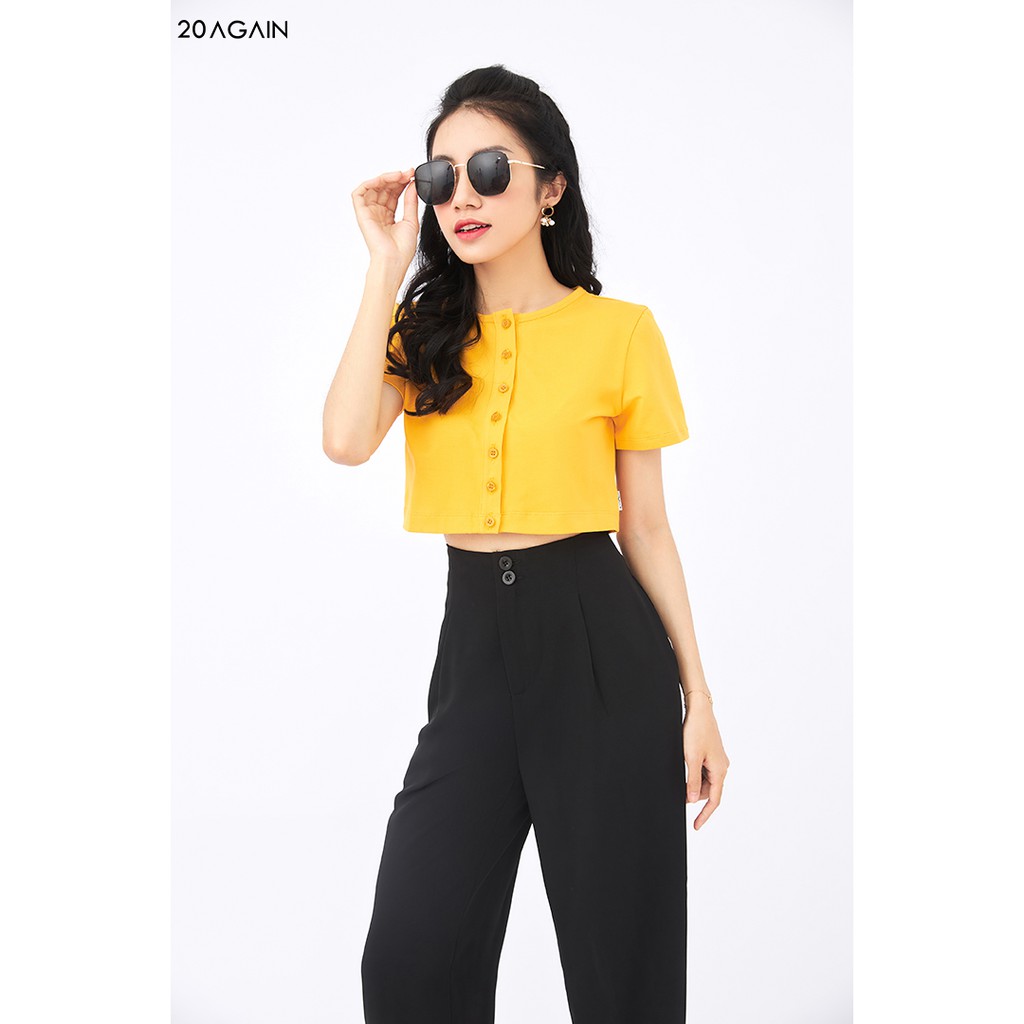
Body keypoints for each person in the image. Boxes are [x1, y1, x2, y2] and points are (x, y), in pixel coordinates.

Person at [323, 64, 729, 1024]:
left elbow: (647, 526)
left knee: (623, 973)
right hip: (474, 653)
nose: (462, 196)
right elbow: (343, 440)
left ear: (551, 188)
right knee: (411, 960)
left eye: (491, 170)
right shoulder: (423, 332)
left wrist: (699, 701)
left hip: (600, 647)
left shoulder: (620, 333)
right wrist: (385, 268)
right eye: (441, 177)